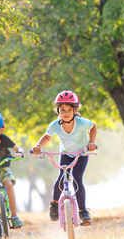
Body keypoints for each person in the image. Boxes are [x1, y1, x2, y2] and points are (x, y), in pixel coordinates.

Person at [32, 90, 97, 224]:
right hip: (65, 154)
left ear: (75, 110)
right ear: (58, 111)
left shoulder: (81, 122)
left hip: (81, 153)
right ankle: (54, 204)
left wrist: (92, 142)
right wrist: (38, 146)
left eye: (69, 109)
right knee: (62, 178)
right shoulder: (55, 125)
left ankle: (83, 211)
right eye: (62, 110)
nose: (66, 113)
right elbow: (47, 137)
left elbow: (93, 127)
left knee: (77, 178)